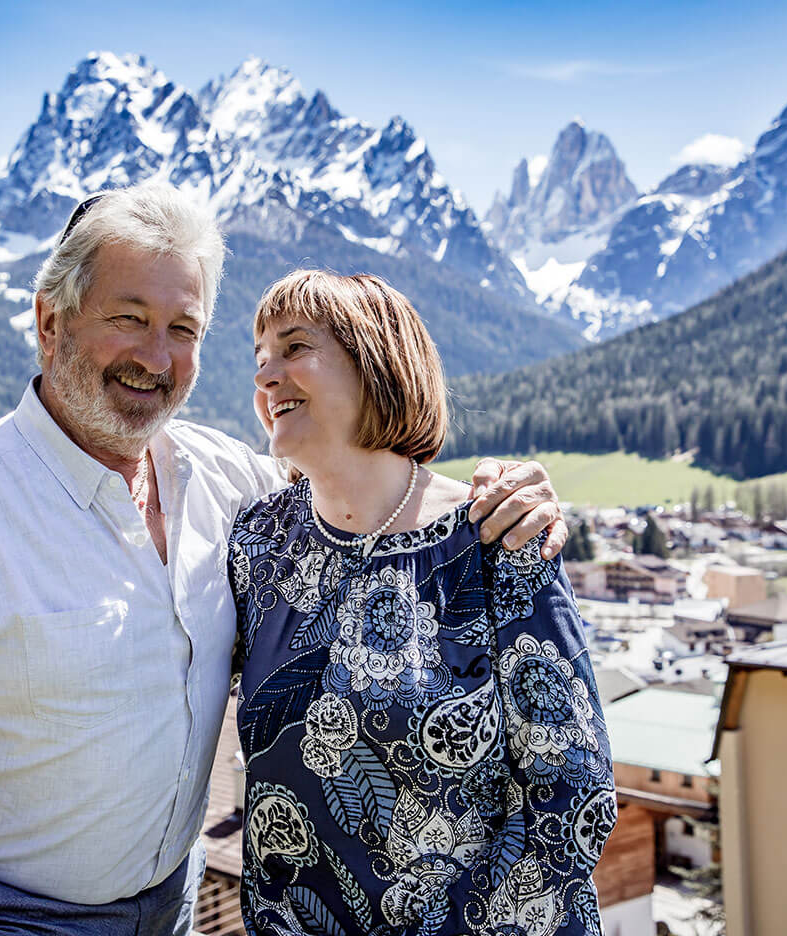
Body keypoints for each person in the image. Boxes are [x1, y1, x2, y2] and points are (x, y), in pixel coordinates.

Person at [0, 183, 570, 936]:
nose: (156, 356)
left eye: (183, 329)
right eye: (129, 319)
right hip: (12, 918)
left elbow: (362, 492)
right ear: (50, 322)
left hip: (177, 904)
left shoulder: (230, 482)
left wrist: (502, 491)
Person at [231, 271, 614, 936]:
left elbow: (572, 795)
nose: (266, 375)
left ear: (375, 362)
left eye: (294, 348)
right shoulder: (257, 546)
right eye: (260, 357)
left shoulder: (495, 536)